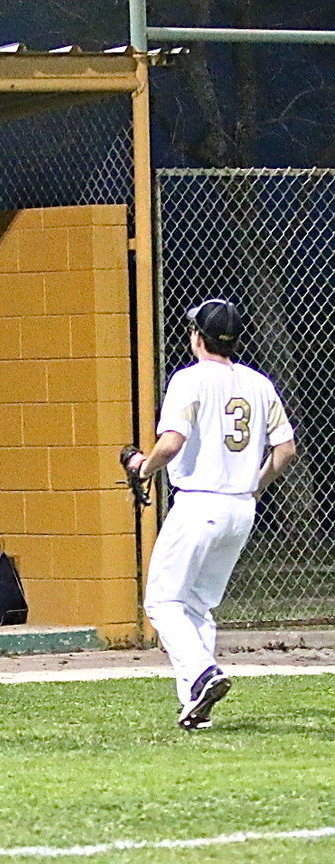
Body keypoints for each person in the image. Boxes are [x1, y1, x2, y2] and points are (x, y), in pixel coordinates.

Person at [127, 298, 296, 731]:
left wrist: (144, 467)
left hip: (200, 502)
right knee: (198, 605)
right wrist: (253, 486)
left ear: (197, 336)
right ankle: (194, 706)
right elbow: (286, 451)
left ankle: (203, 671)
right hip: (241, 508)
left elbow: (172, 442)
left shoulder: (190, 380)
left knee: (163, 601)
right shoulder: (259, 383)